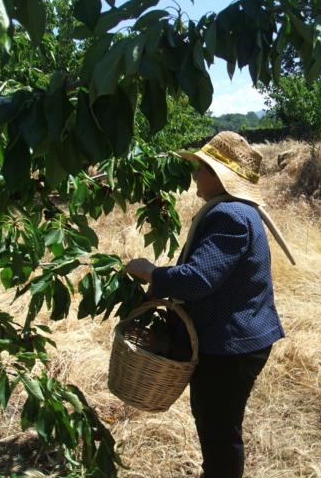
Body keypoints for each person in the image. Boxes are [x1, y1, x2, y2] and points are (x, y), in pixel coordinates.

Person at [125, 131, 295, 478]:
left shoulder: (229, 215)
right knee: (216, 423)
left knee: (219, 430)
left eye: (200, 168)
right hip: (233, 340)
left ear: (218, 176)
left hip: (231, 346)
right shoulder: (233, 211)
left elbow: (197, 279)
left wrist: (152, 274)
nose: (194, 176)